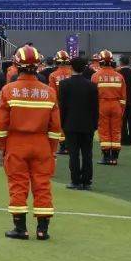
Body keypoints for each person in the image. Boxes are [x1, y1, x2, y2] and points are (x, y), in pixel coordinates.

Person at [0, 45, 62, 240]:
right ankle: (43, 229)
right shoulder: (48, 92)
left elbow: (0, 125)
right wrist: (51, 150)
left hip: (16, 143)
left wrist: (2, 147)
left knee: (18, 184)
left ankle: (20, 228)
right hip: (42, 144)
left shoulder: (8, 90)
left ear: (17, 65)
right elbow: (55, 127)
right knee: (42, 185)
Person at [57, 56, 99, 190]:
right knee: (87, 153)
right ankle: (87, 181)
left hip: (70, 123)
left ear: (71, 67)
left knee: (73, 153)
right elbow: (95, 107)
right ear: (85, 68)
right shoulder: (91, 85)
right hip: (87, 124)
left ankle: (75, 180)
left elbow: (62, 106)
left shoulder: (64, 84)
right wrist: (94, 124)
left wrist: (62, 123)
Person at [92, 50, 127, 165]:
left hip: (102, 105)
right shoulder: (119, 76)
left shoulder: (95, 76)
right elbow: (123, 96)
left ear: (100, 62)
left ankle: (106, 157)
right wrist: (120, 109)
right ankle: (114, 158)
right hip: (116, 105)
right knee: (116, 130)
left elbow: (93, 95)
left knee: (104, 130)